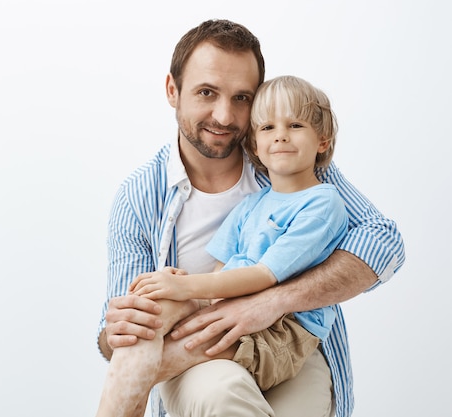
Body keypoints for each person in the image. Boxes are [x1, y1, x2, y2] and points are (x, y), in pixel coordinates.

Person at [96, 19, 405, 417]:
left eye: (241, 97)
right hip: (199, 336)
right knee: (218, 392)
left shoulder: (287, 165)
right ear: (172, 90)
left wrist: (273, 302)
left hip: (289, 339)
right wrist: (122, 325)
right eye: (207, 92)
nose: (224, 117)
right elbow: (112, 340)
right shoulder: (139, 197)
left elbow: (383, 242)